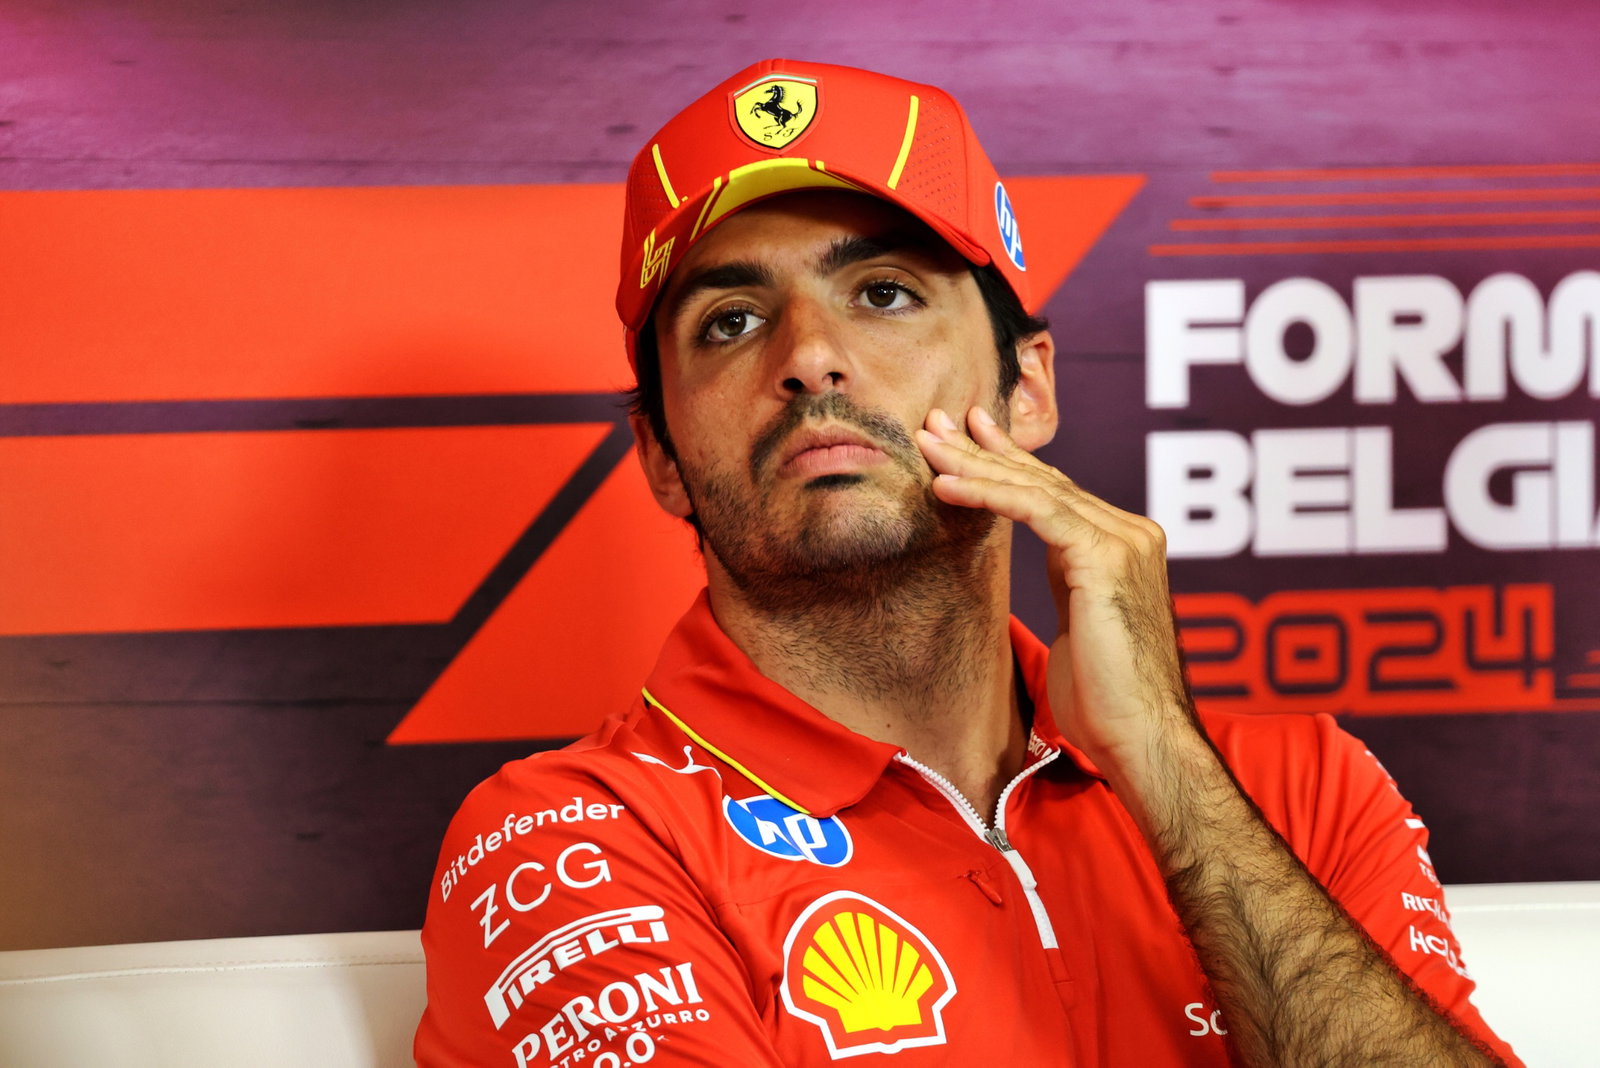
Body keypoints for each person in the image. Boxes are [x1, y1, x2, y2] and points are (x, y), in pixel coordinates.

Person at [415, 59, 1519, 1067]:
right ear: (662, 456)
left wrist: (1164, 762)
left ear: (1024, 390)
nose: (810, 357)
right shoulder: (573, 844)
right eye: (732, 321)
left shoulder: (1299, 790)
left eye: (883, 293)